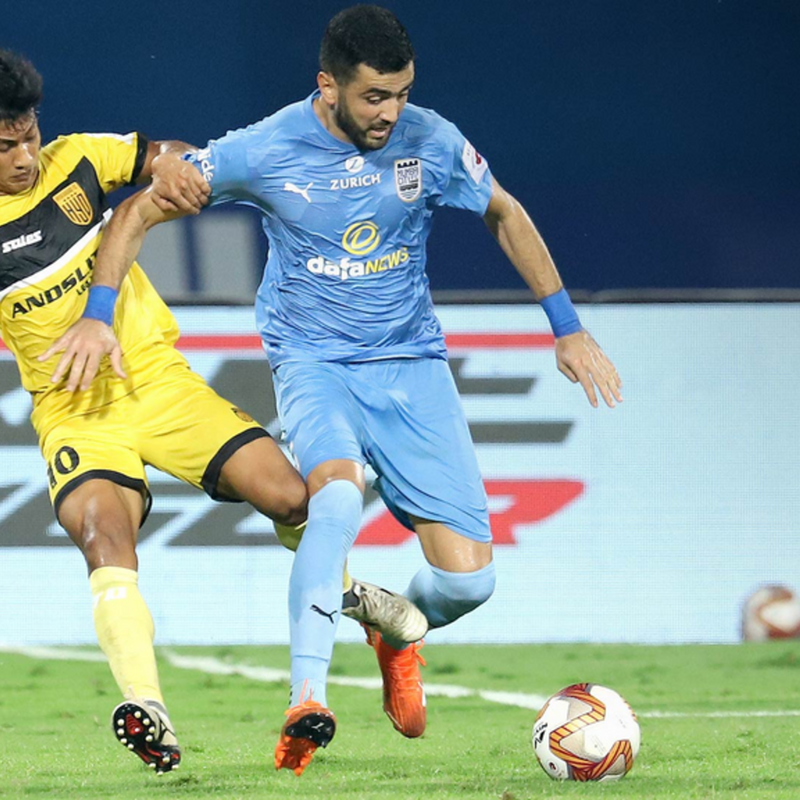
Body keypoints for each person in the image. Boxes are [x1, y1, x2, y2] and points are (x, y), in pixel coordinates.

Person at [47, 4, 623, 777]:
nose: (390, 113)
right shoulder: (268, 147)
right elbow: (138, 212)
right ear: (329, 86)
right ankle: (307, 699)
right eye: (373, 97)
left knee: (469, 581)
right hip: (313, 362)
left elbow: (503, 212)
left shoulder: (431, 140)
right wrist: (98, 313)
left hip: (411, 363)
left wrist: (567, 328)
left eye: (402, 94)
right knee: (335, 500)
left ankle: (393, 631)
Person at [0, 47, 426, 776]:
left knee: (293, 499)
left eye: (28, 136)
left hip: (159, 384)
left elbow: (164, 155)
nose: (23, 157)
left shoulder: (79, 160)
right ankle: (149, 709)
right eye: (4, 147)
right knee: (103, 535)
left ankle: (355, 601)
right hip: (75, 414)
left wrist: (176, 166)